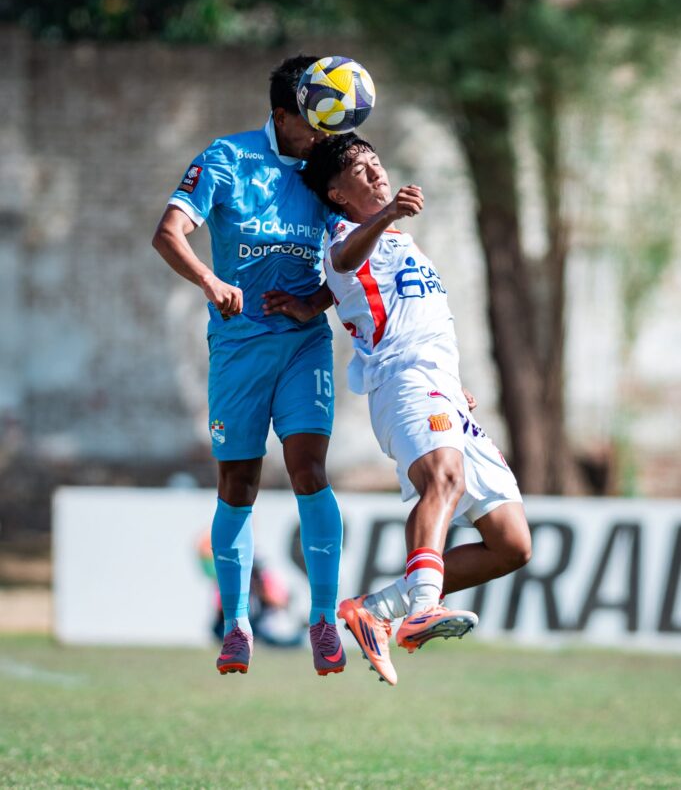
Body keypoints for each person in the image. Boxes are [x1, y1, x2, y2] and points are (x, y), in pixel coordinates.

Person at [264, 133, 532, 686]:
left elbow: (347, 286)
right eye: (360, 173)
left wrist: (311, 303)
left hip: (447, 390)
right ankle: (423, 609)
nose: (376, 174)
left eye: (376, 165)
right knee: (444, 477)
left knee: (511, 543)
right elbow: (342, 259)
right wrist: (385, 214)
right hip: (405, 382)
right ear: (337, 195)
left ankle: (375, 610)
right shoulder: (344, 235)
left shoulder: (394, 242)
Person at [152, 56, 346, 677]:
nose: (322, 133)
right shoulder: (228, 158)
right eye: (310, 121)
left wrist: (314, 301)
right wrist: (210, 281)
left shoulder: (327, 171)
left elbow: (353, 256)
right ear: (282, 115)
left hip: (302, 343)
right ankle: (236, 622)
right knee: (239, 484)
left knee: (309, 467)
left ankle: (322, 618)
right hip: (237, 346)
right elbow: (169, 233)